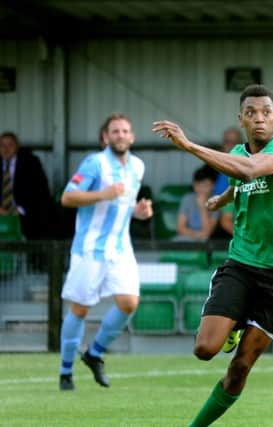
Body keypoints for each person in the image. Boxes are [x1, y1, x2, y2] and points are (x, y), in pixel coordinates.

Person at [152, 84, 273, 427]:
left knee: (239, 367)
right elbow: (238, 181)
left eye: (266, 112)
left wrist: (189, 145)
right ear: (240, 118)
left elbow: (249, 171)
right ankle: (235, 325)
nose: (259, 119)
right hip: (242, 262)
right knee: (204, 350)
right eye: (251, 113)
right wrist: (222, 200)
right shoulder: (240, 151)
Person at [58, 113, 153, 391]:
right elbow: (67, 197)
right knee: (80, 308)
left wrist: (139, 212)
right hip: (90, 249)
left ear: (132, 137)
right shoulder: (95, 163)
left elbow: (124, 205)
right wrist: (103, 194)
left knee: (129, 303)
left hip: (120, 248)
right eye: (115, 131)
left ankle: (94, 353)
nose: (121, 135)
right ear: (105, 137)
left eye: (125, 131)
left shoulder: (137, 166)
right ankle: (65, 371)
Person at [0, 131, 54, 240]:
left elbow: (40, 191)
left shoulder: (31, 162)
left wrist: (18, 210)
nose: (6, 149)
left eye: (10, 145)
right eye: (2, 145)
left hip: (25, 213)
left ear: (17, 147)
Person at [175, 164, 219, 241]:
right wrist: (197, 235)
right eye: (198, 185)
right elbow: (180, 228)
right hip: (187, 238)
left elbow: (207, 233)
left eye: (205, 185)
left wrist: (202, 208)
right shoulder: (187, 199)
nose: (201, 189)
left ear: (213, 186)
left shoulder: (216, 202)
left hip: (205, 242)